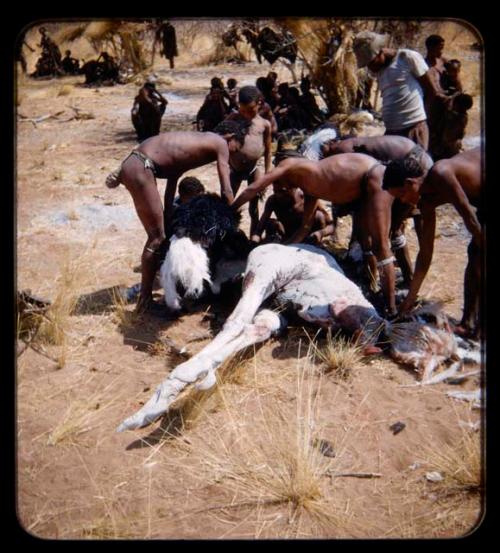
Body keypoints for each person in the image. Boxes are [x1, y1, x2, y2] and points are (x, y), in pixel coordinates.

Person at [231, 152, 412, 317]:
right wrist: (282, 251)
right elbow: (304, 228)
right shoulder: (309, 189)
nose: (280, 188)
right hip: (362, 190)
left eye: (279, 183)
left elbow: (253, 188)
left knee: (380, 245)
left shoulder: (291, 165)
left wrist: (230, 210)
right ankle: (375, 289)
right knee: (367, 244)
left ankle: (392, 310)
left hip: (375, 178)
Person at [104, 123, 247, 313]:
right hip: (142, 166)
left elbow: (172, 181)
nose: (234, 154)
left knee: (162, 234)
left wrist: (169, 216)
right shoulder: (220, 142)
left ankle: (151, 290)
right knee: (156, 238)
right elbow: (226, 188)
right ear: (231, 137)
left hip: (136, 163)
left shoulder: (190, 147)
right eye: (237, 148)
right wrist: (229, 213)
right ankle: (145, 300)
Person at [382, 147, 482, 338]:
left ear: (411, 184)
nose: (403, 201)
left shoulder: (441, 172)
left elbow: (470, 219)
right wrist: (410, 299)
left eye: (401, 195)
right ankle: (468, 324)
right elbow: (425, 253)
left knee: (479, 258)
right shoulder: (425, 201)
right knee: (475, 256)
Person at [352, 31, 446, 150]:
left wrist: (417, 120)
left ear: (380, 51)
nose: (370, 67)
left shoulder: (407, 57)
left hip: (413, 129)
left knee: (415, 166)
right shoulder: (380, 70)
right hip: (391, 131)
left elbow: (431, 91)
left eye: (371, 62)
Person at [225, 85, 272, 236]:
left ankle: (254, 235)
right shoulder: (233, 118)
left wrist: (267, 174)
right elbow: (217, 138)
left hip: (253, 169)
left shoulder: (264, 124)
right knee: (227, 201)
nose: (245, 114)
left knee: (254, 207)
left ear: (259, 103)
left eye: (250, 110)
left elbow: (268, 150)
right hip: (234, 169)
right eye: (242, 109)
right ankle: (227, 234)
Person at [252, 180, 334, 245]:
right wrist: (254, 241)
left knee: (319, 216)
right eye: (276, 191)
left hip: (307, 237)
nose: (279, 196)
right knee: (271, 223)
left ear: (293, 188)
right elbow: (260, 227)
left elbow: (331, 226)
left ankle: (315, 246)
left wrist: (320, 233)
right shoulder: (273, 200)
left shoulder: (307, 199)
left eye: (283, 192)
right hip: (286, 236)